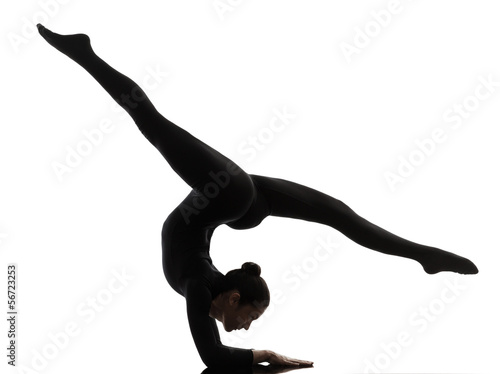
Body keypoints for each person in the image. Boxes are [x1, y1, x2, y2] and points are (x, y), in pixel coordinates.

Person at [36, 24, 478, 369]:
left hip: (231, 197)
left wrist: (265, 355)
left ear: (231, 298)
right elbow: (220, 354)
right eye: (252, 319)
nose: (245, 326)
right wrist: (263, 357)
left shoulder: (197, 289)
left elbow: (212, 358)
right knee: (337, 214)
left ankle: (84, 52)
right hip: (232, 202)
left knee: (151, 121)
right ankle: (422, 255)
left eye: (248, 318)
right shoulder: (204, 284)